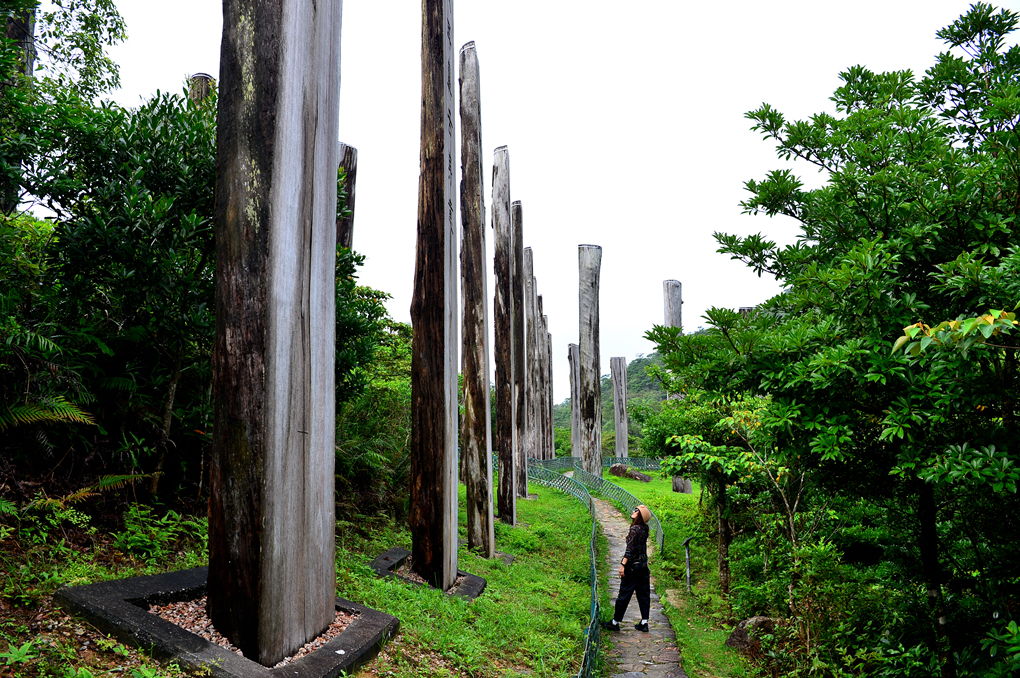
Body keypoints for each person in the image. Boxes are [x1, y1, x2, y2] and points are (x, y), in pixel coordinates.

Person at [602, 505, 651, 633]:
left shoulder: (634, 529)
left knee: (624, 594)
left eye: (636, 511)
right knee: (644, 594)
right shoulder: (645, 529)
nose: (633, 511)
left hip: (632, 567)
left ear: (640, 515)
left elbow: (630, 549)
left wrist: (622, 565)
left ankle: (615, 622)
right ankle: (644, 622)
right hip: (643, 566)